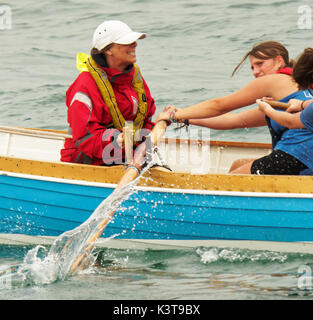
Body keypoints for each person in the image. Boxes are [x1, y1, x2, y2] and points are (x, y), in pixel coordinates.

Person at [157, 41, 313, 175]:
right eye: (252, 67)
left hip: (298, 156)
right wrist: (186, 117)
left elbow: (220, 106)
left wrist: (173, 116)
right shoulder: (298, 89)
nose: (256, 72)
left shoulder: (274, 80)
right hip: (303, 158)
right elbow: (237, 120)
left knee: (230, 181)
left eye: (260, 64)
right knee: (238, 164)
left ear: (279, 61)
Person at [61, 20, 156, 165]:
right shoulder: (84, 85)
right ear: (108, 50)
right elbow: (85, 138)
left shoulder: (134, 77)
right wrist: (115, 139)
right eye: (127, 42)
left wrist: (150, 134)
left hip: (125, 157)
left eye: (134, 41)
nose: (135, 44)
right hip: (88, 161)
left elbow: (146, 117)